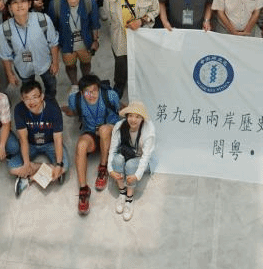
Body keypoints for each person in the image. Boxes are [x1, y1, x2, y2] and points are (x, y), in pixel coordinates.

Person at [102, 0, 159, 98]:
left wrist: (141, 20)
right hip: (120, 39)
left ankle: (141, 84)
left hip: (141, 39)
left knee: (141, 62)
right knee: (121, 64)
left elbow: (155, 10)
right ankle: (119, 85)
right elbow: (109, 18)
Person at [68, 75, 121, 215]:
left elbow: (118, 109)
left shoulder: (110, 96)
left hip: (109, 131)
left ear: (99, 89)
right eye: (87, 92)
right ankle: (83, 189)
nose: (91, 95)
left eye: (94, 91)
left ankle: (103, 167)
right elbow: (72, 110)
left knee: (104, 130)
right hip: (91, 133)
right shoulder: (74, 100)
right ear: (81, 93)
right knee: (81, 145)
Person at [0, 0, 60, 106]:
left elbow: (53, 42)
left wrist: (55, 62)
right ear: (10, 7)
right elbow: (5, 55)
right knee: (28, 89)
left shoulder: (43, 19)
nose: (19, 5)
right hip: (23, 67)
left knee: (51, 85)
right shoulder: (4, 29)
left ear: (30, 4)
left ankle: (50, 101)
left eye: (23, 1)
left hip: (45, 63)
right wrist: (10, 74)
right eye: (15, 3)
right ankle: (33, 105)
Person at [9, 80, 69, 196]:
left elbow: (57, 139)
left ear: (42, 96)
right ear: (22, 99)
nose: (31, 102)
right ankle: (49, 170)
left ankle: (28, 179)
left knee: (64, 166)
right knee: (12, 168)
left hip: (50, 143)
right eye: (27, 98)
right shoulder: (19, 109)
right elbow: (23, 139)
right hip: (30, 144)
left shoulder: (53, 109)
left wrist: (58, 164)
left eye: (35, 97)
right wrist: (27, 164)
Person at [46, 0, 100, 91]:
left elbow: (95, 24)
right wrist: (55, 51)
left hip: (85, 42)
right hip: (66, 43)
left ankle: (85, 81)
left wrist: (95, 40)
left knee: (86, 63)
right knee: (70, 65)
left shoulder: (89, 2)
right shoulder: (55, 5)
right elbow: (52, 29)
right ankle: (74, 84)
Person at [107, 101, 156, 222]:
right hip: (127, 153)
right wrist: (110, 170)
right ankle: (122, 192)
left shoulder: (149, 131)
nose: (133, 120)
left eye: (137, 116)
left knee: (130, 165)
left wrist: (137, 175)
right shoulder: (119, 126)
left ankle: (129, 199)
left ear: (142, 118)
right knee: (117, 159)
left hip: (141, 158)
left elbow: (145, 156)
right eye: (130, 116)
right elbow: (112, 149)